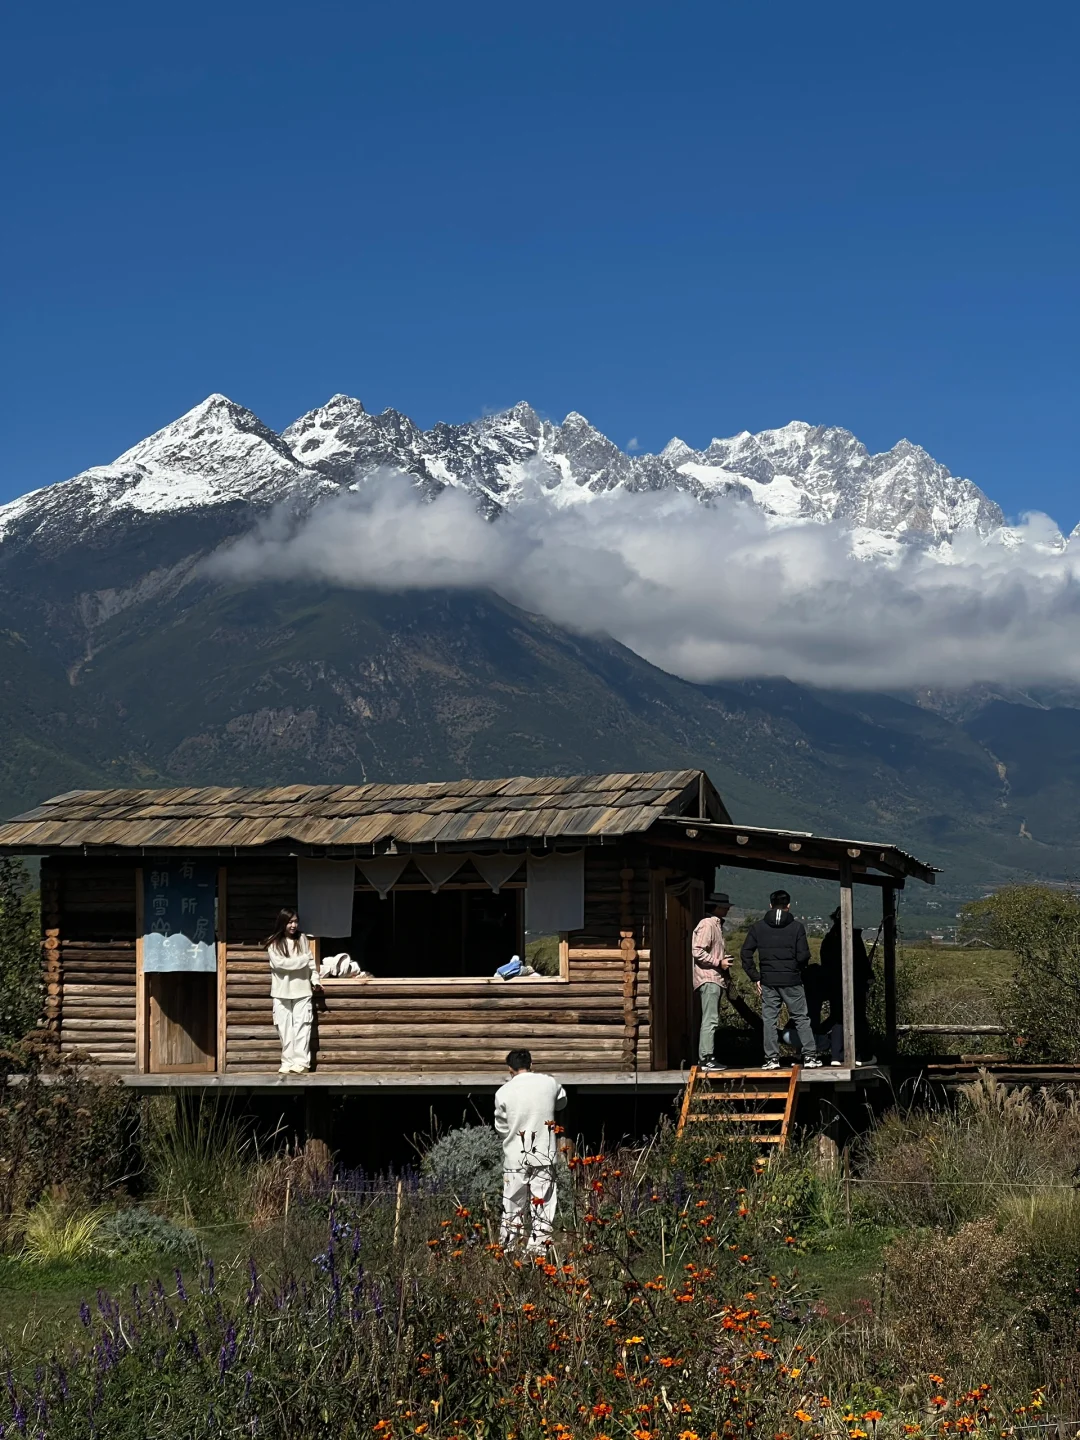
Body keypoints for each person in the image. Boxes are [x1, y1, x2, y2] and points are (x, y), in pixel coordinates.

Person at [494, 1048, 568, 1253]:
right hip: (544, 1152)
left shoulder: (503, 1092)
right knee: (543, 1204)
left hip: (515, 1156)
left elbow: (501, 1126)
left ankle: (508, 1250)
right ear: (531, 1064)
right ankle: (537, 1252)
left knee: (512, 1205)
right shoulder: (549, 1083)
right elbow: (562, 1101)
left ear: (510, 1069)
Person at [740, 890, 823, 1070]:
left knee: (770, 1020)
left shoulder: (758, 927)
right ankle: (809, 1056)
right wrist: (796, 970)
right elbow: (803, 955)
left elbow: (745, 953)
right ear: (788, 906)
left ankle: (772, 1059)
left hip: (768, 981)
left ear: (770, 905)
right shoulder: (797, 927)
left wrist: (756, 977)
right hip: (792, 980)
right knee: (801, 1018)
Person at [265, 909, 322, 1075]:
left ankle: (301, 1063)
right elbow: (280, 965)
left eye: (295, 921)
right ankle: (287, 1062)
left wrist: (315, 979)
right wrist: (302, 960)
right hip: (281, 992)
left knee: (302, 1027)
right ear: (282, 922)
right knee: (284, 1029)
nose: (293, 925)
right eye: (290, 922)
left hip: (302, 990)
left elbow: (311, 963)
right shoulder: (273, 942)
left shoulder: (302, 939)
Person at [819, 906, 875, 1066]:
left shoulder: (828, 939)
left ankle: (837, 1055)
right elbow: (862, 962)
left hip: (834, 985)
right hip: (855, 984)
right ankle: (861, 1055)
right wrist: (869, 978)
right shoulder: (853, 938)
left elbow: (825, 963)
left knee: (837, 1017)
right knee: (858, 1018)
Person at [692, 890, 732, 1070]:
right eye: (724, 907)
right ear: (716, 907)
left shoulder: (714, 925)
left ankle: (707, 1056)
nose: (727, 910)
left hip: (714, 977)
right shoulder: (707, 925)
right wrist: (718, 962)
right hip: (709, 978)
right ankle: (706, 1057)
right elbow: (697, 951)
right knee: (710, 1020)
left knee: (711, 1019)